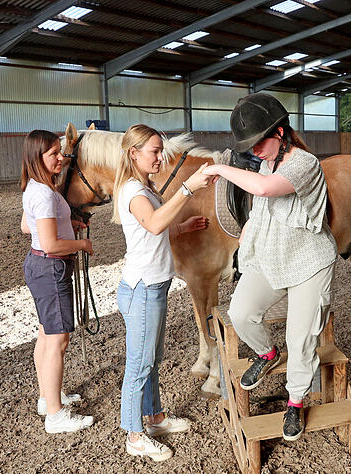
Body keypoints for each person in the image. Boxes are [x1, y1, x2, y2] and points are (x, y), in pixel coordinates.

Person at [201, 93, 337, 442]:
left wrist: (217, 168)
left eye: (259, 141)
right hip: (272, 256)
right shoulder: (266, 162)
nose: (255, 150)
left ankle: (295, 400)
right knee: (241, 312)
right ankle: (267, 352)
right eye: (250, 145)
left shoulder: (304, 163)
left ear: (279, 132)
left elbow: (264, 189)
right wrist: (247, 234)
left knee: (301, 335)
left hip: (309, 262)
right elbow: (261, 207)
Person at [111, 124, 212, 461]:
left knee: (151, 360)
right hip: (142, 290)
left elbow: (153, 232)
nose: (160, 157)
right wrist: (188, 187)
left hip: (153, 287)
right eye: (154, 151)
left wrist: (182, 227)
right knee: (139, 365)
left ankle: (154, 419)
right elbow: (153, 223)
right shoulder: (133, 192)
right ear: (133, 153)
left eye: (159, 150)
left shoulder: (146, 187)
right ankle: (134, 435)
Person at [20, 130, 94, 433]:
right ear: (38, 157)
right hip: (51, 267)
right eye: (53, 153)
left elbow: (27, 226)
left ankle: (46, 397)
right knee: (58, 340)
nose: (61, 158)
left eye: (59, 152)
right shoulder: (44, 193)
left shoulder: (35, 188)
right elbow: (50, 245)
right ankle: (55, 414)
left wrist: (66, 223)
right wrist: (80, 245)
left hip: (39, 266)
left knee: (46, 335)